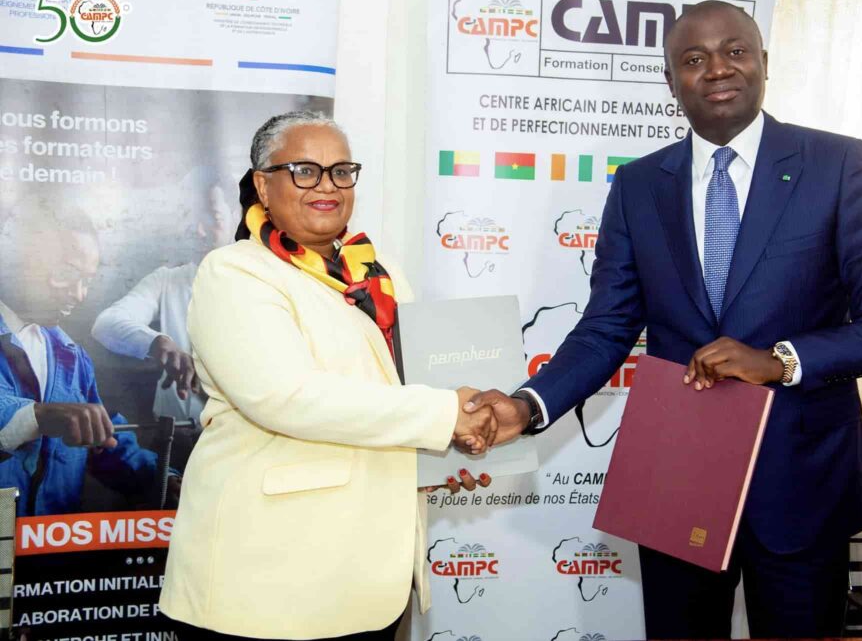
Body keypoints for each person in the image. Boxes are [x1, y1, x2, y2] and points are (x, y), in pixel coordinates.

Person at [470, 1, 862, 638]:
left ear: (763, 62)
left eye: (735, 51)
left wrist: (779, 361)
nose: (717, 69)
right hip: (676, 478)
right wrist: (528, 406)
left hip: (800, 482)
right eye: (693, 59)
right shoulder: (638, 186)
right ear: (671, 81)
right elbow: (606, 327)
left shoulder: (837, 166)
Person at [159, 110, 496, 641]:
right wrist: (446, 415)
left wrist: (444, 455)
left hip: (369, 578)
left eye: (341, 171)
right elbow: (287, 397)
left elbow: (401, 396)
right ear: (263, 187)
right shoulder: (235, 272)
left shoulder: (380, 274)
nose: (327, 186)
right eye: (304, 171)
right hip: (268, 582)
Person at [0, 201, 164, 516]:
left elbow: (103, 439)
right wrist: (39, 416)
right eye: (66, 275)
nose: (79, 295)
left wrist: (161, 478)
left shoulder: (72, 358)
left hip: (55, 540)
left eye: (87, 281)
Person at [92, 169, 237, 423]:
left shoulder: (264, 283)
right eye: (190, 217)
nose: (199, 231)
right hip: (175, 436)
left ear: (236, 217)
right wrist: (158, 343)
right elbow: (105, 324)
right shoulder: (167, 281)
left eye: (213, 217)